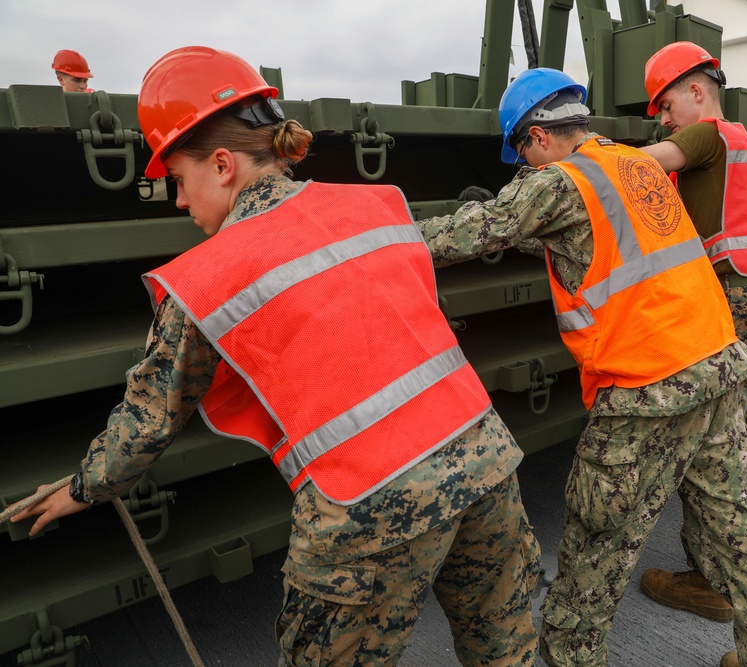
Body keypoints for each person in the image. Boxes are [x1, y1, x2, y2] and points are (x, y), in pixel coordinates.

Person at [13, 46, 541, 666]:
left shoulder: (210, 275)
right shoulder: (378, 205)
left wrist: (82, 487)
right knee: (506, 653)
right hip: (485, 461)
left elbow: (151, 413)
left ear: (221, 163)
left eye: (177, 181)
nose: (178, 203)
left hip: (368, 502)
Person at [416, 66, 747, 667]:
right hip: (716, 363)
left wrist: (370, 240)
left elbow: (458, 237)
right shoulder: (637, 162)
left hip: (648, 386)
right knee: (733, 523)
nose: (524, 168)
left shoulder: (556, 181)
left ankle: (571, 657)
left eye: (521, 154)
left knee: (598, 543)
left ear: (538, 137)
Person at [636, 41, 747, 621]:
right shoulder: (742, 146)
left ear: (695, 90)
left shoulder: (707, 135)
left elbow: (639, 167)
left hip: (732, 304)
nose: (662, 119)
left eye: (664, 106)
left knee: (712, 449)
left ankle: (712, 582)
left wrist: (584, 153)